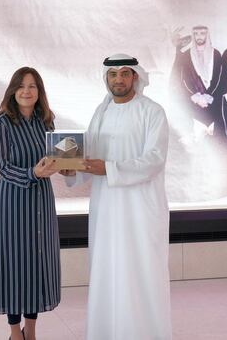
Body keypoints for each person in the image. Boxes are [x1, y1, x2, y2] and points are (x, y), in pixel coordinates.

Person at [65, 54, 171, 340]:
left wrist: (109, 168)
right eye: (113, 75)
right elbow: (88, 159)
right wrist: (69, 169)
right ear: (107, 79)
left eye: (125, 74)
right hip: (106, 209)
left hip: (141, 209)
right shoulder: (101, 113)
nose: (119, 80)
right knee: (108, 271)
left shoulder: (152, 111)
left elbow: (154, 159)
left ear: (136, 77)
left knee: (141, 272)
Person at [0, 67, 61, 340]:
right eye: (21, 86)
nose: (27, 91)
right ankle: (13, 333)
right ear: (13, 90)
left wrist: (65, 168)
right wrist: (33, 172)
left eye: (32, 86)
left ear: (39, 91)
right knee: (13, 261)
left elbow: (55, 158)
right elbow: (4, 167)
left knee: (37, 260)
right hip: (13, 201)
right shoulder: (2, 123)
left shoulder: (46, 122)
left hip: (41, 200)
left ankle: (30, 331)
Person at [173, 25, 224, 135]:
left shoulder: (216, 54)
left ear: (207, 35)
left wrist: (208, 96)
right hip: (194, 102)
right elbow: (184, 79)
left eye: (202, 33)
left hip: (213, 101)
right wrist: (196, 97)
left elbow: (220, 77)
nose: (199, 36)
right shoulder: (186, 55)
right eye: (196, 34)